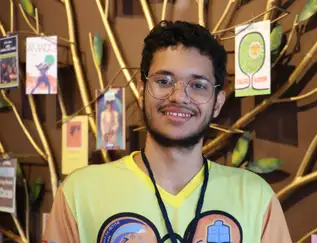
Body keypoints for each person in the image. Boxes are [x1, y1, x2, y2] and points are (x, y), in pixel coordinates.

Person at [43, 21, 292, 243]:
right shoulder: (81, 191)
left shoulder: (256, 197)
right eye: (164, 81)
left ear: (217, 102)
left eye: (198, 85)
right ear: (141, 91)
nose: (179, 97)